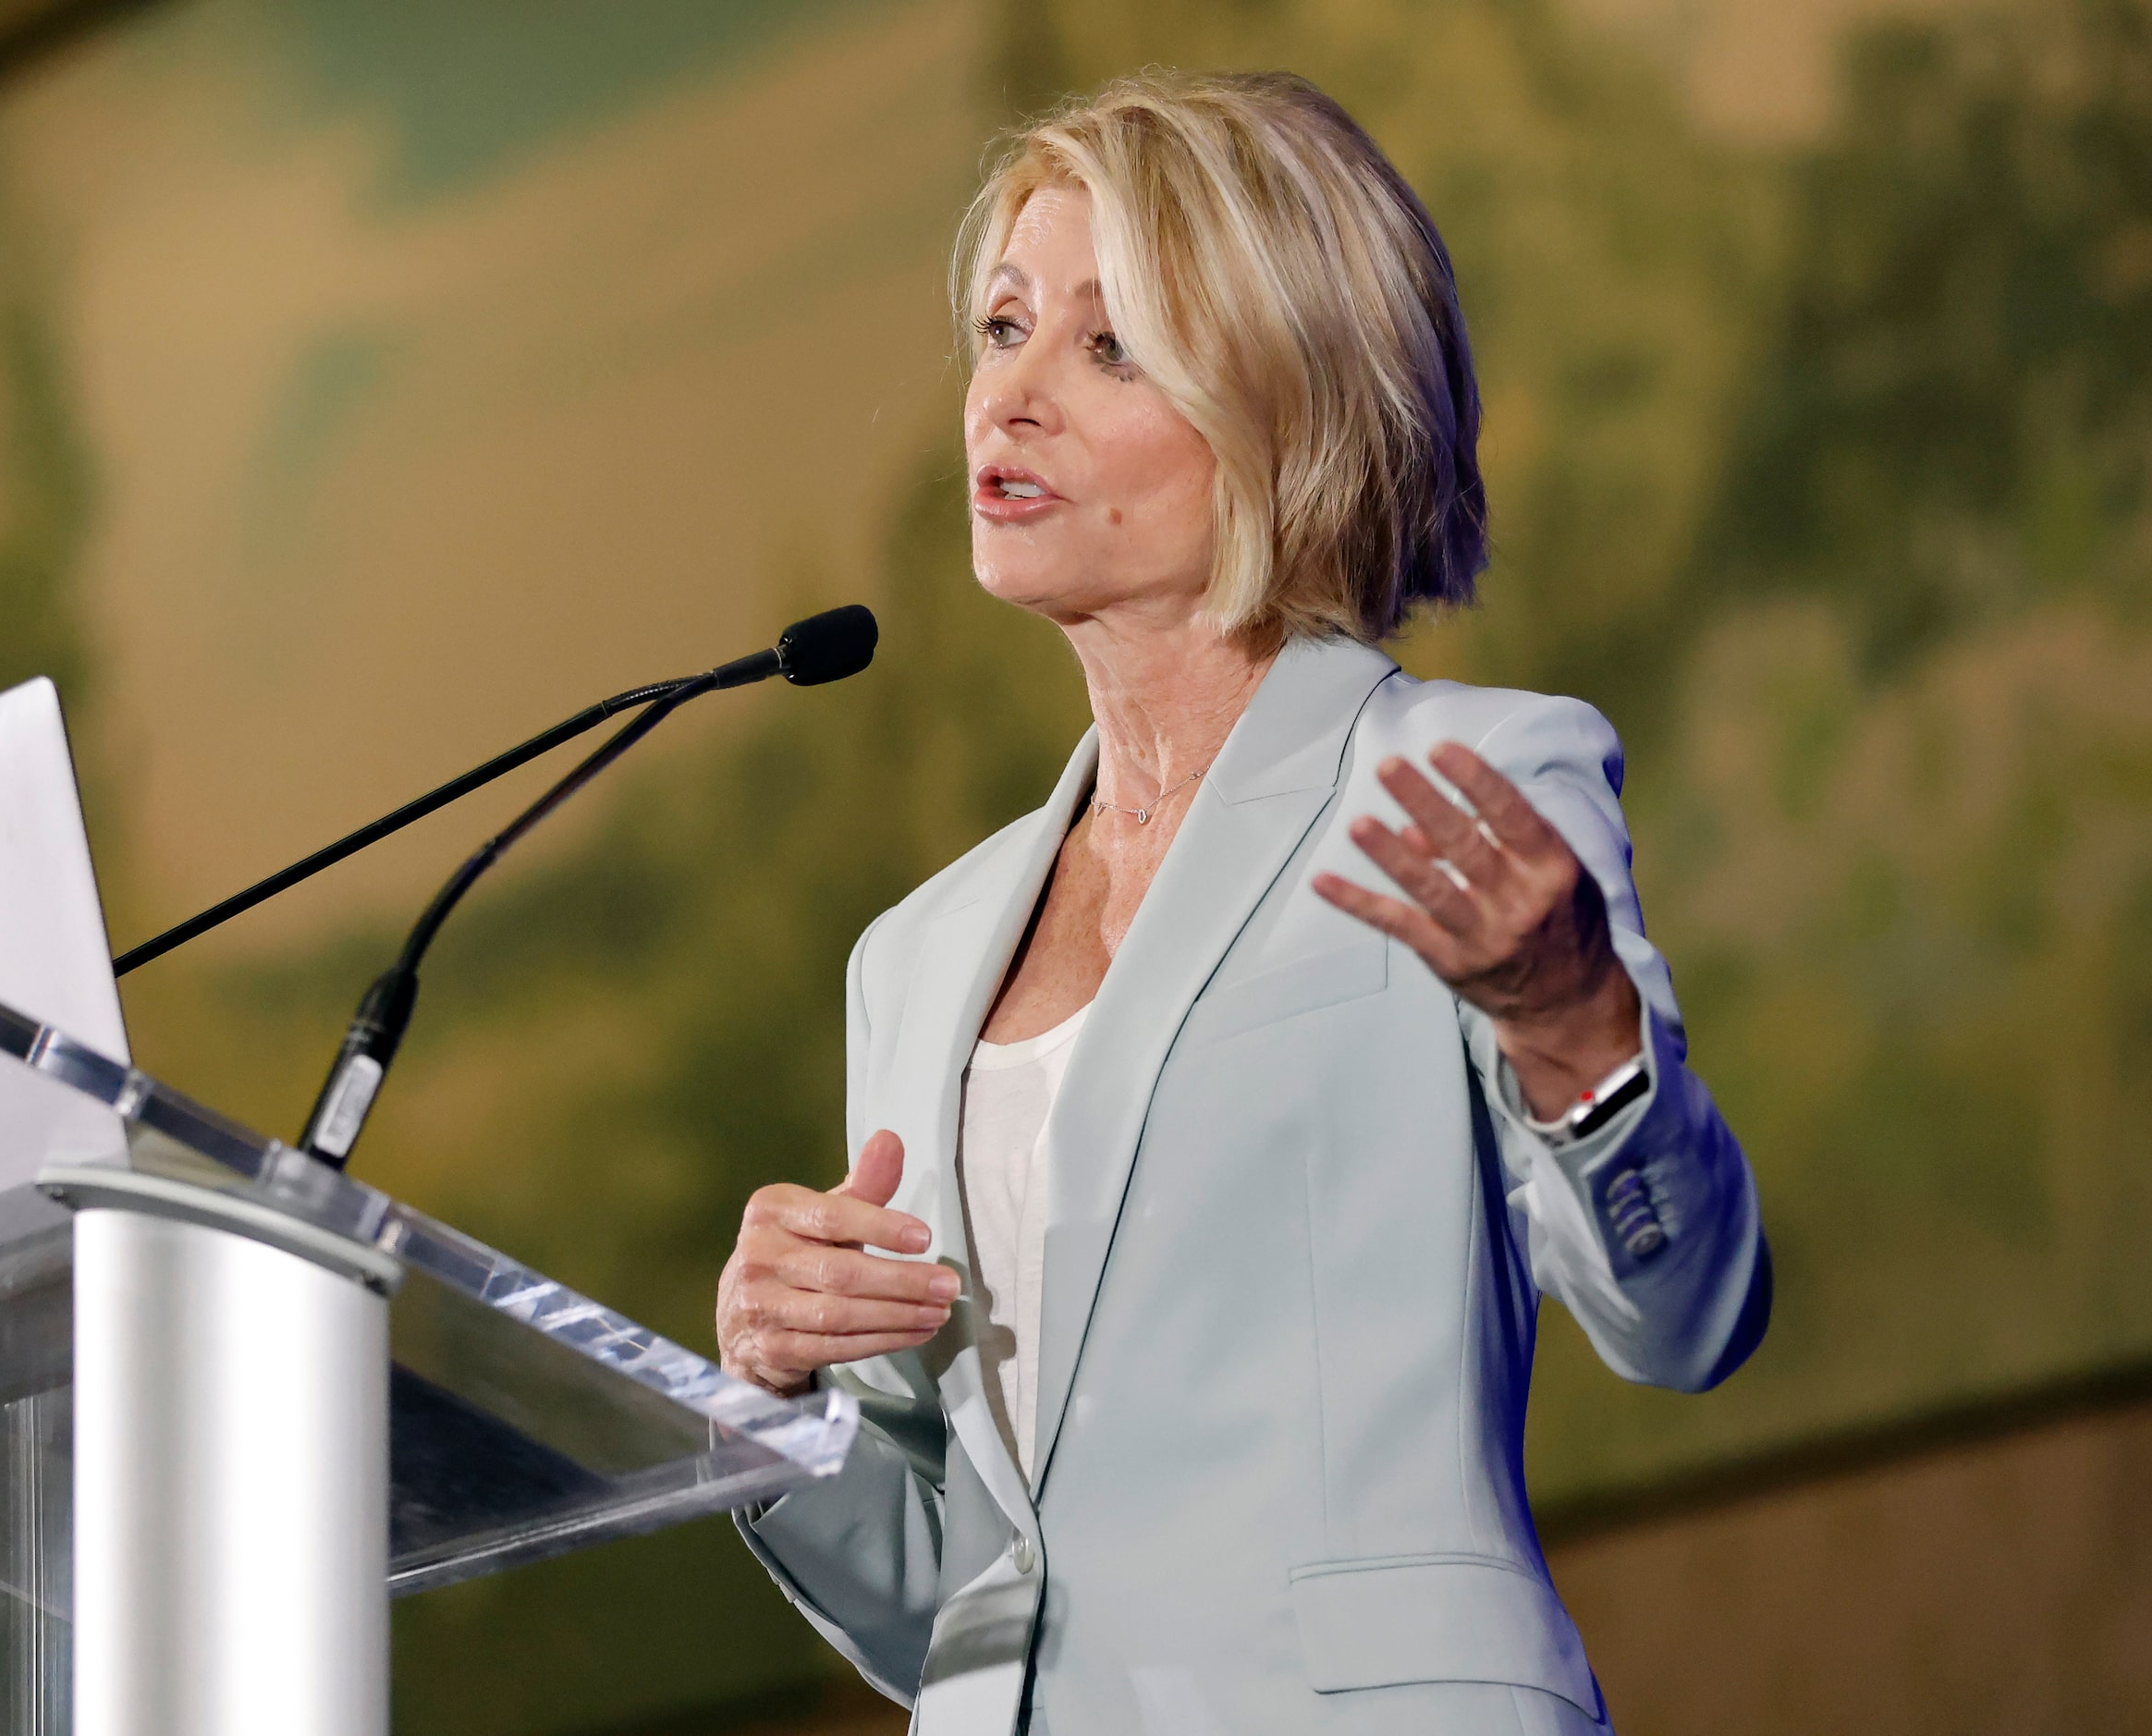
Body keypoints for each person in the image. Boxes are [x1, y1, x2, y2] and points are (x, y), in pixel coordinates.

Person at [715, 70, 1767, 1736]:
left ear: (1293, 401)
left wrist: (1577, 1026)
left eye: (1107, 345)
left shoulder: (1468, 783)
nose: (1011, 397)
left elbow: (1684, 1315)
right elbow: (957, 1591)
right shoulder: (911, 956)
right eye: (1001, 328)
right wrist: (775, 1398)